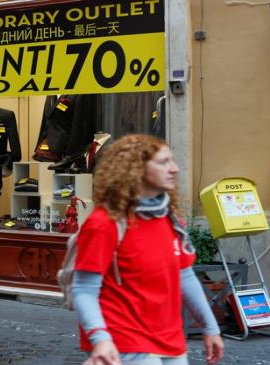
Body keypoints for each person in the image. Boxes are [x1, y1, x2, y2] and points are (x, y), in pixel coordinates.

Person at [72, 134, 224, 365]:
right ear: (135, 169)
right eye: (163, 162)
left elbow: (185, 275)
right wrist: (100, 338)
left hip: (170, 338)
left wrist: (211, 328)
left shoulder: (170, 219)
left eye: (172, 161)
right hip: (123, 338)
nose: (174, 169)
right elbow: (84, 288)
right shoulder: (105, 223)